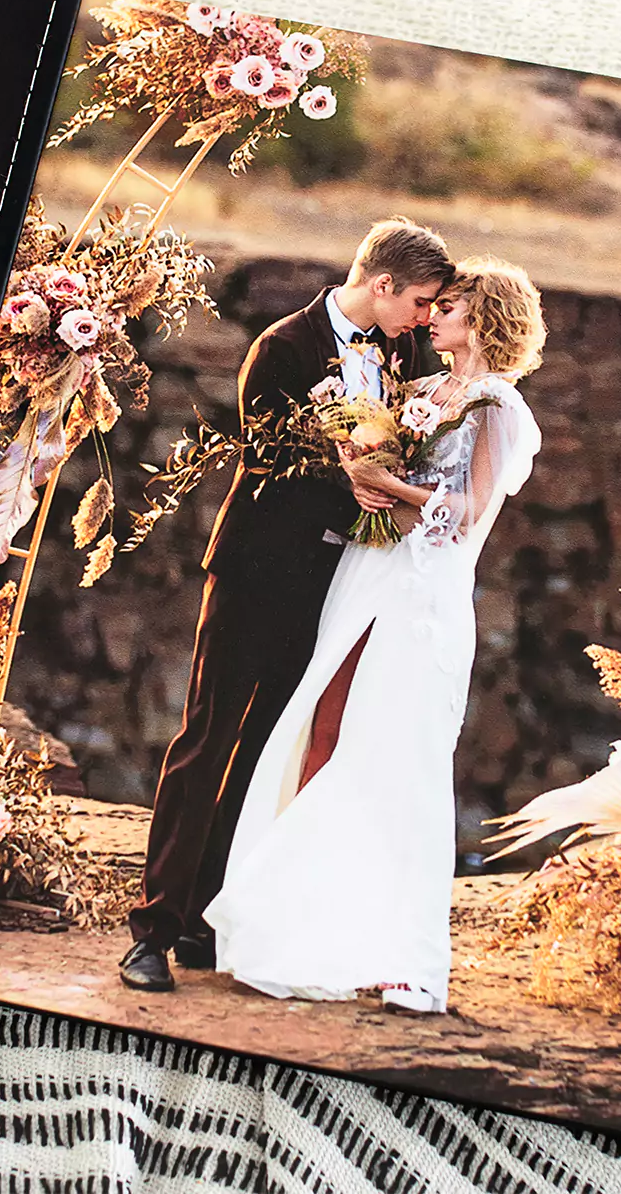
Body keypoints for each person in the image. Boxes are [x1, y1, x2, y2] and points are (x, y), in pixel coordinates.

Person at [120, 218, 455, 992]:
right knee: (206, 741)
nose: (428, 317)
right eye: (422, 301)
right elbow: (268, 454)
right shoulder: (282, 347)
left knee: (267, 747)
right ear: (383, 286)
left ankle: (207, 919)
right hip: (256, 572)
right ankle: (152, 930)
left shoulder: (403, 354)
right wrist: (358, 480)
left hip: (336, 582)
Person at [203, 257, 546, 1013]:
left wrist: (386, 485)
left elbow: (470, 514)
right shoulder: (417, 389)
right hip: (364, 573)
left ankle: (402, 958)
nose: (432, 317)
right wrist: (358, 463)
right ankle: (310, 929)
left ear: (481, 318)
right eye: (433, 304)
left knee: (401, 756)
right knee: (322, 735)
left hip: (422, 593)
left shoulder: (497, 406)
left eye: (448, 306)